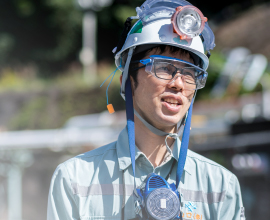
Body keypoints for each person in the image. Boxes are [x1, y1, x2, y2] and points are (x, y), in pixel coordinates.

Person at [47, 0, 245, 219]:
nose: (178, 83)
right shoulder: (75, 180)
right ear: (128, 81)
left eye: (189, 73)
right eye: (163, 67)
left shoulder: (220, 186)